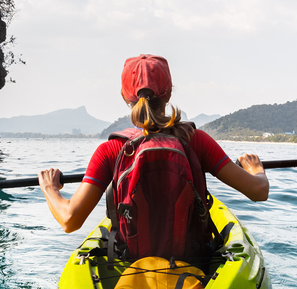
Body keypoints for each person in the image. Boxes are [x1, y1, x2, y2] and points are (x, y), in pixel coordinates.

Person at [38, 54, 269, 238]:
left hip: (133, 265)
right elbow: (259, 191)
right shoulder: (196, 140)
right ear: (168, 94)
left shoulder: (111, 150)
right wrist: (255, 169)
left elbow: (69, 220)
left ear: (124, 96)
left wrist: (50, 188)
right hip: (194, 263)